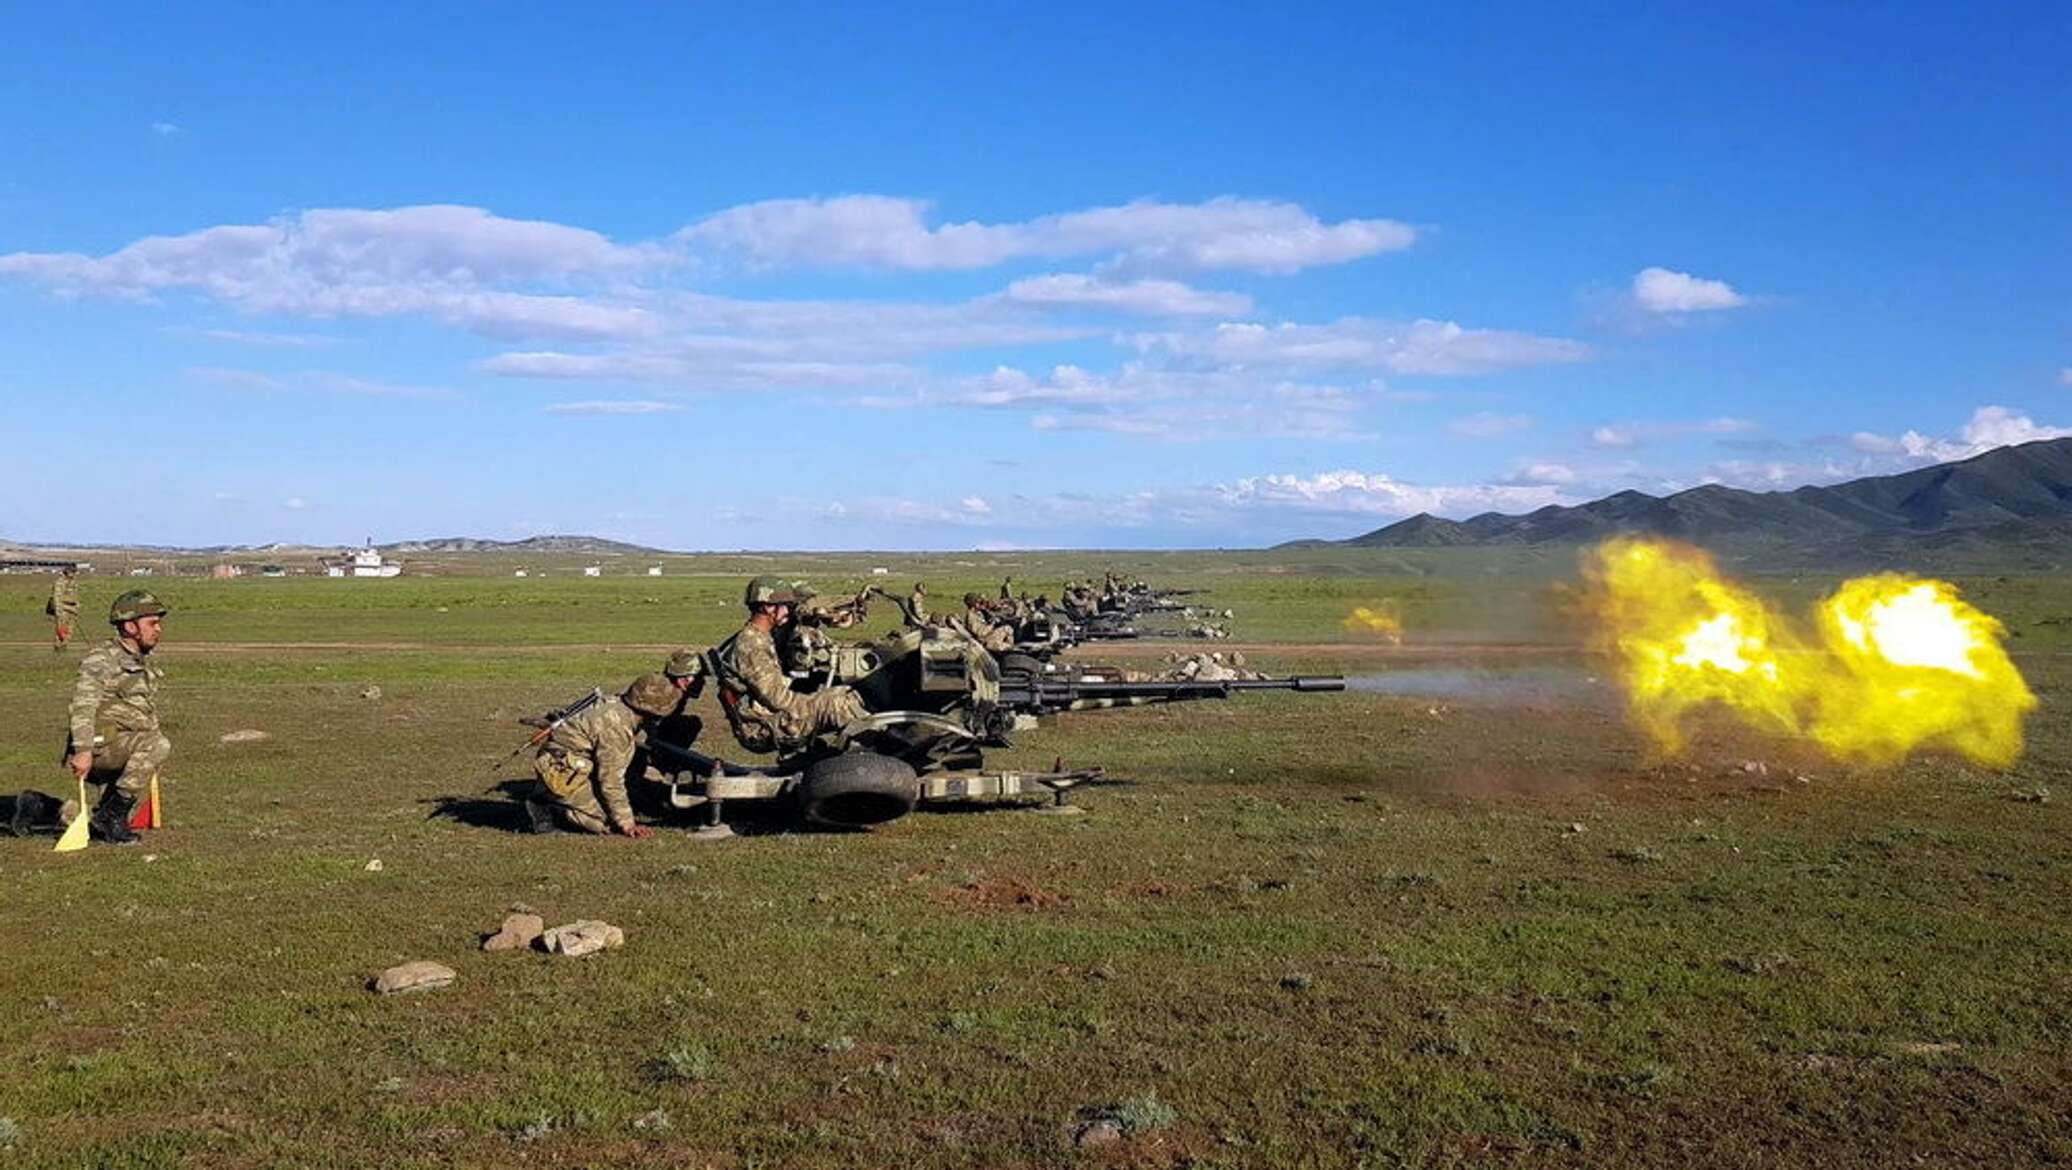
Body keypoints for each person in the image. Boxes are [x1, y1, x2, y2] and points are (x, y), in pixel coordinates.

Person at [711, 576, 870, 753]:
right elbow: (779, 699)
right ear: (767, 607)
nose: (788, 610)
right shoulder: (751, 646)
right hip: (763, 727)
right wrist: (818, 702)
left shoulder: (761, 636)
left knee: (834, 692)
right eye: (784, 605)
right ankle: (878, 753)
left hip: (767, 717)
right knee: (842, 701)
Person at [65, 590, 172, 845]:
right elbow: (83, 704)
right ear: (130, 626)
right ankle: (110, 817)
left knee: (153, 742)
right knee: (157, 745)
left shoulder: (140, 658)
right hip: (99, 746)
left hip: (119, 740)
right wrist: (83, 750)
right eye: (152, 623)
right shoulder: (102, 659)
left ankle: (104, 816)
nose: (158, 629)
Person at [527, 673, 676, 836]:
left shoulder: (617, 704)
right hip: (563, 770)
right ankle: (548, 809)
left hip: (568, 762)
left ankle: (551, 795)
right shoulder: (616, 728)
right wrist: (627, 823)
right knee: (605, 821)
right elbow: (611, 780)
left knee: (627, 799)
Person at [946, 592, 1015, 653]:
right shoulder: (971, 616)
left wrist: (990, 620)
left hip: (986, 637)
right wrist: (992, 624)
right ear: (973, 604)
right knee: (1007, 629)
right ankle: (1009, 650)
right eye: (977, 602)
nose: (979, 604)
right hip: (984, 641)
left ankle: (1008, 648)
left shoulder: (976, 613)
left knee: (1007, 628)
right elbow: (980, 633)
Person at [46, 567, 80, 651]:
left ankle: (65, 645)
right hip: (63, 608)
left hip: (72, 608)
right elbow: (57, 597)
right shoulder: (60, 582)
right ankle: (58, 646)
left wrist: (77, 605)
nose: (74, 574)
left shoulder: (73, 583)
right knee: (61, 629)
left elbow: (74, 595)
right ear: (68, 572)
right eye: (73, 572)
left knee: (70, 629)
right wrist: (58, 611)